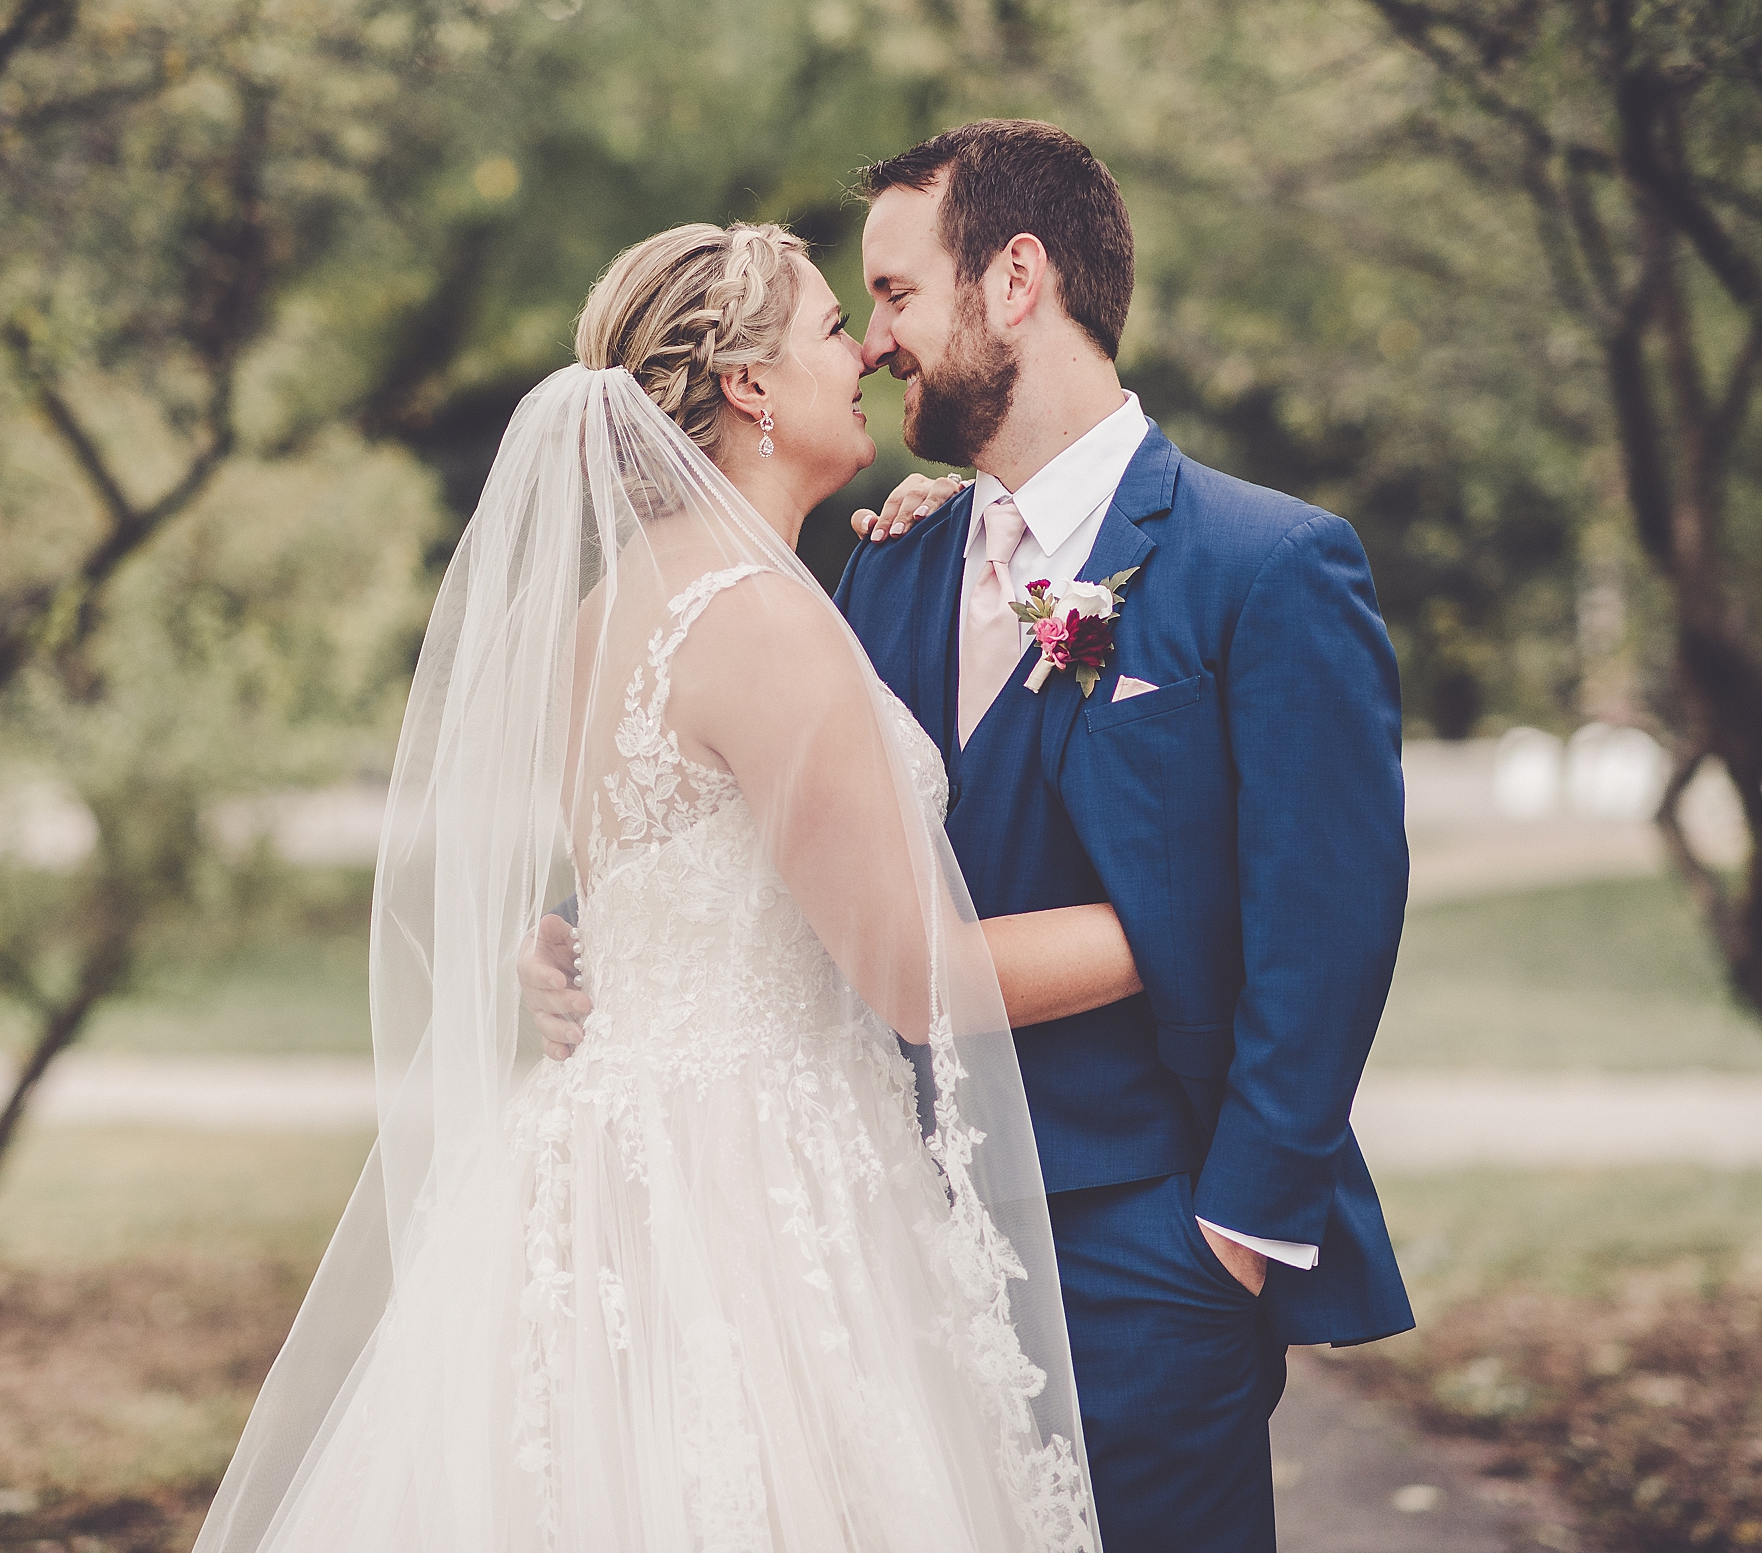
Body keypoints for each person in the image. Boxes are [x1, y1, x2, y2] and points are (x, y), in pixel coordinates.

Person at [528, 122, 1415, 1552]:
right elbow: (753, 822)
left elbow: (1340, 904)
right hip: (875, 1248)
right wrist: (590, 939)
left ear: (1017, 281)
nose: (874, 345)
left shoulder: (1270, 566)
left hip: (1144, 1249)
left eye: (892, 294)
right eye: (857, 309)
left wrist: (1234, 1237)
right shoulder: (875, 567)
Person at [195, 221, 1105, 1553]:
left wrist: (566, 944)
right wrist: (1182, 931)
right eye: (821, 329)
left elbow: (675, 877)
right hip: (754, 1193)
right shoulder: (763, 619)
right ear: (747, 386)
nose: (857, 349)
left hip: (607, 1165)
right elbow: (918, 976)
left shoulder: (611, 611)